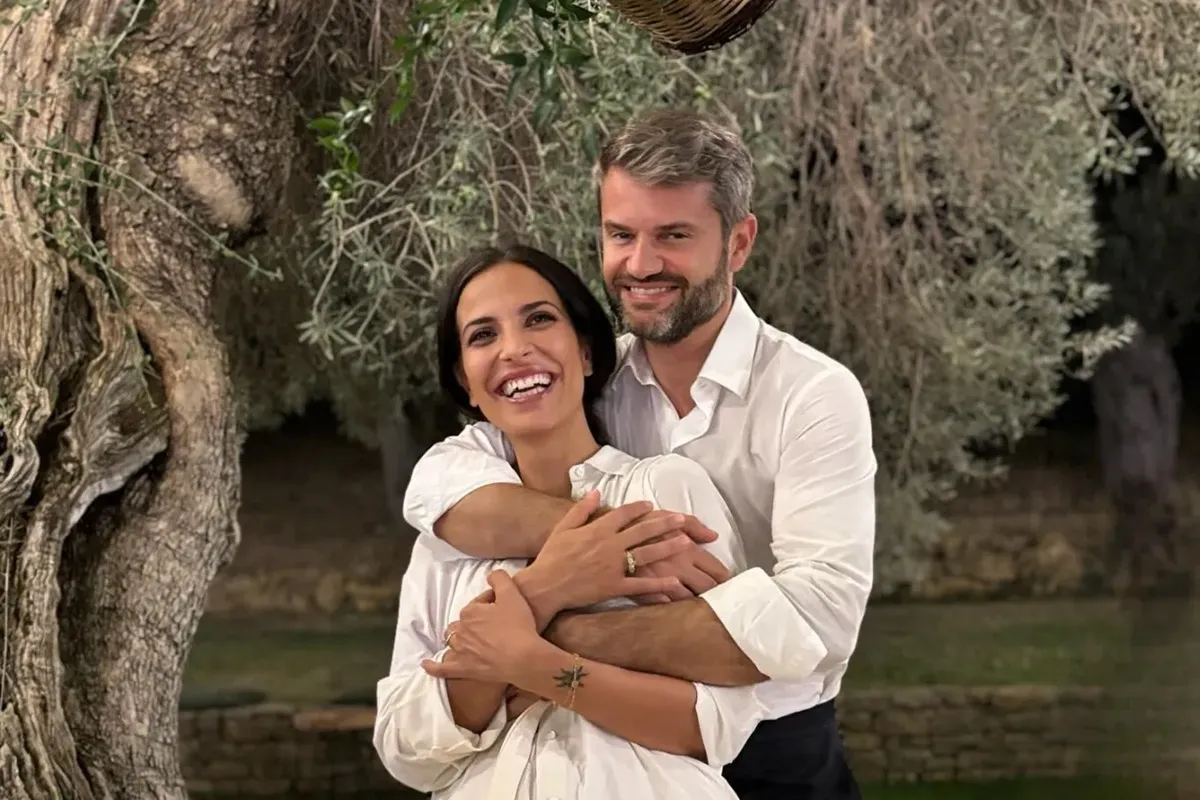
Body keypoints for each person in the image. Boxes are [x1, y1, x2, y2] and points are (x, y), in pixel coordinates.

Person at [401, 109, 877, 800]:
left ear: (739, 242)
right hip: (625, 748)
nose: (641, 264)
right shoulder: (584, 380)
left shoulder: (812, 394)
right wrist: (621, 543)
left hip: (779, 754)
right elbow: (438, 485)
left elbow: (816, 624)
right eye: (621, 235)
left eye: (673, 236)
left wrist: (545, 638)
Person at [374, 244, 767, 799]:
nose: (515, 349)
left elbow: (714, 726)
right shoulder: (446, 539)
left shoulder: (662, 492)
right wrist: (543, 590)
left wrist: (531, 666)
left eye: (539, 319)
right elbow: (405, 750)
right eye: (483, 335)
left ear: (584, 351)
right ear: (466, 383)